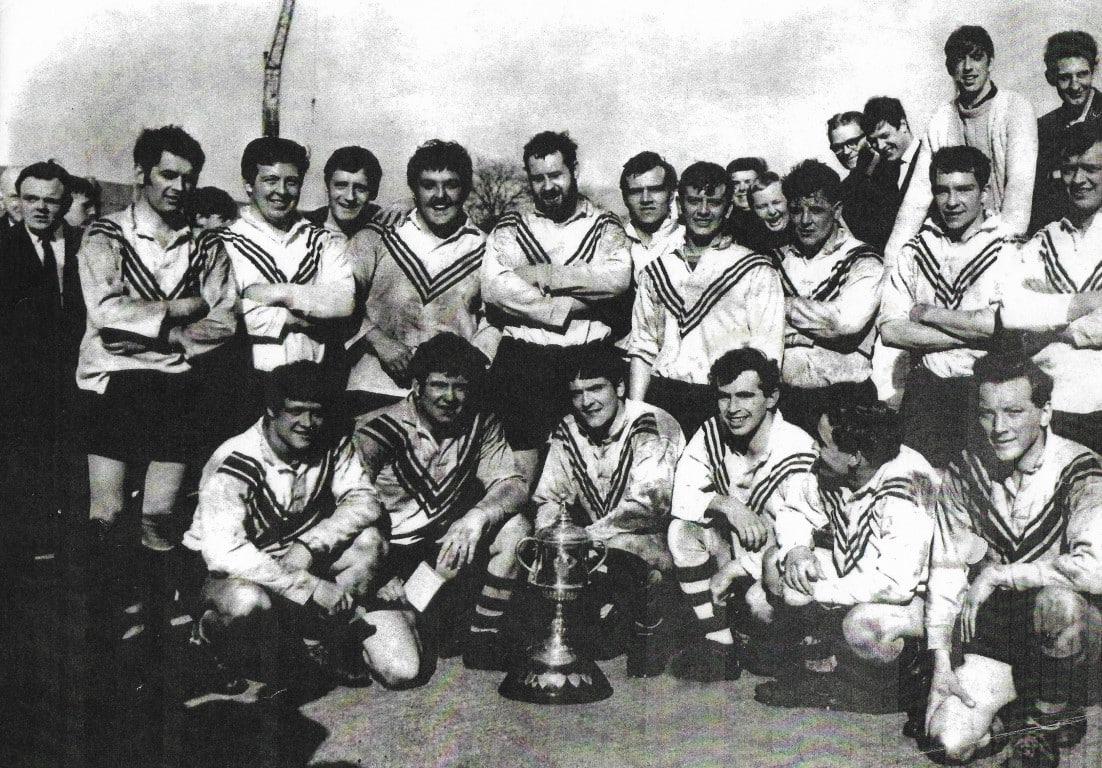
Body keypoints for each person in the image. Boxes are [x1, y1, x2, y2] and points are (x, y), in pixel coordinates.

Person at [77, 126, 237, 690]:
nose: (178, 186)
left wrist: (165, 336)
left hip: (174, 386)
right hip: (112, 386)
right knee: (107, 518)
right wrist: (180, 306)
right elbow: (106, 315)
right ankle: (100, 637)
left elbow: (224, 321)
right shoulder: (104, 234)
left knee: (160, 517)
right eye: (168, 174)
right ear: (143, 174)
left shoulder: (208, 245)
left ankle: (155, 633)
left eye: (188, 178)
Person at [923, 352, 1102, 767]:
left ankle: (1047, 719)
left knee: (1057, 603)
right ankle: (1010, 711)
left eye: (1014, 411)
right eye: (987, 414)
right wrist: (940, 659)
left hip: (1079, 629)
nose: (999, 427)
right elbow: (947, 568)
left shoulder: (1081, 468)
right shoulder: (966, 469)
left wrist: (1003, 575)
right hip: (1004, 636)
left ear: (1045, 412)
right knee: (950, 742)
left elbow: (1096, 566)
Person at [183, 361, 387, 693]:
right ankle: (209, 643)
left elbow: (365, 500)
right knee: (248, 602)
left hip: (293, 553)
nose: (307, 423)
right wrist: (309, 586)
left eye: (317, 412)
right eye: (296, 411)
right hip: (224, 569)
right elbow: (225, 553)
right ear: (271, 409)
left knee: (370, 541)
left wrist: (311, 545)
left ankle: (324, 644)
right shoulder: (235, 459)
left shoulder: (331, 440)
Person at [353, 333, 530, 674]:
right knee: (402, 672)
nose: (450, 398)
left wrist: (478, 516)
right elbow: (346, 508)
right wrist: (378, 573)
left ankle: (481, 639)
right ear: (417, 386)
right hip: (389, 567)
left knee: (516, 527)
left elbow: (514, 484)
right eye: (438, 385)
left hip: (440, 564)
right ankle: (366, 628)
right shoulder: (377, 429)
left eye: (460, 387)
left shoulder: (480, 422)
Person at [754, 403, 936, 715]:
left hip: (920, 600)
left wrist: (815, 590)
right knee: (770, 575)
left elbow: (895, 585)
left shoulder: (906, 485)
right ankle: (826, 668)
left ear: (855, 456)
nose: (815, 448)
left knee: (861, 625)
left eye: (823, 444)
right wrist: (797, 551)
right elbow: (795, 509)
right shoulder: (845, 466)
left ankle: (909, 681)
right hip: (860, 576)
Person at [481, 130, 632, 486]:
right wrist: (563, 309)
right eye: (538, 178)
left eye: (556, 175)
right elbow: (495, 288)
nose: (548, 186)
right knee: (520, 474)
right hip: (523, 361)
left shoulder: (605, 225)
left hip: (586, 360)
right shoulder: (511, 226)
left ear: (574, 170)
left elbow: (616, 279)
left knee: (585, 472)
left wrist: (543, 275)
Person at [533, 343, 685, 677]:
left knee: (626, 545)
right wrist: (550, 546)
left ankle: (653, 634)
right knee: (592, 644)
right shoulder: (569, 427)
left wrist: (582, 538)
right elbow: (549, 499)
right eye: (577, 393)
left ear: (619, 387)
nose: (586, 402)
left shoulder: (650, 422)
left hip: (657, 542)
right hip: (601, 546)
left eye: (596, 388)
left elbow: (648, 505)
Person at [666, 348, 818, 682]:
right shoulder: (711, 433)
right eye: (724, 397)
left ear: (772, 397)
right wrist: (727, 505)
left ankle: (799, 652)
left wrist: (739, 569)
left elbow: (801, 537)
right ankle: (719, 644)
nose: (733, 409)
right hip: (733, 555)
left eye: (746, 396)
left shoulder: (798, 448)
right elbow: (681, 496)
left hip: (775, 568)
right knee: (681, 531)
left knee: (758, 606)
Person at [879, 146, 1014, 467]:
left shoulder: (1009, 247)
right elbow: (890, 329)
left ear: (984, 191)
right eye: (942, 191)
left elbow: (1004, 326)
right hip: (927, 392)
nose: (952, 202)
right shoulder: (915, 249)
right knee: (920, 491)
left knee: (983, 495)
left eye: (964, 189)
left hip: (986, 390)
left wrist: (926, 316)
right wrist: (974, 333)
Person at [628, 161, 783, 437]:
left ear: (729, 208)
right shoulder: (657, 270)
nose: (702, 211)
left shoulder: (756, 269)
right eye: (694, 201)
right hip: (663, 396)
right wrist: (635, 414)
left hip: (724, 400)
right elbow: (642, 347)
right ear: (679, 204)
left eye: (713, 202)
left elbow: (767, 351)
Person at [344, 140, 496, 417]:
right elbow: (340, 299)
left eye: (451, 184)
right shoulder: (377, 237)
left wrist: (471, 360)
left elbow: (495, 319)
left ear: (465, 190)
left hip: (449, 400)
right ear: (414, 190)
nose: (440, 196)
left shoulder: (486, 249)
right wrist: (378, 340)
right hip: (374, 389)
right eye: (428, 185)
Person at [885, 25, 1038, 265]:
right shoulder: (941, 118)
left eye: (976, 58)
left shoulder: (1015, 109)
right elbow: (915, 201)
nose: (968, 68)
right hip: (953, 240)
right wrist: (890, 262)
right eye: (959, 60)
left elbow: (1019, 192)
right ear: (950, 68)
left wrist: (1003, 254)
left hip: (1003, 241)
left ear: (990, 62)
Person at [999, 121, 1102, 455]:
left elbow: (1031, 323)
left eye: (1091, 168)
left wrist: (1049, 321)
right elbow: (1011, 309)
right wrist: (1083, 312)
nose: (1080, 180)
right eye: (1070, 169)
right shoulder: (1044, 240)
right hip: (1053, 408)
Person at [0, 160, 85, 556]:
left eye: (51, 200)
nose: (40, 208)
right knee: (21, 493)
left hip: (77, 386)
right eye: (30, 198)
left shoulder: (86, 244)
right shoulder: (4, 248)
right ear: (18, 200)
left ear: (65, 203)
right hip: (20, 392)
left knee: (72, 493)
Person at [219, 137, 354, 376]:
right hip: (245, 377)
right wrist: (288, 319)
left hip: (311, 380)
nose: (281, 191)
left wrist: (279, 293)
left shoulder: (322, 240)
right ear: (248, 184)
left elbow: (343, 303)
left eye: (291, 182)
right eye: (271, 180)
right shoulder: (224, 243)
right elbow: (225, 313)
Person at [772, 159, 882, 435]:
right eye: (797, 211)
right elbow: (754, 324)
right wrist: (822, 333)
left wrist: (781, 311)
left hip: (847, 400)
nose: (805, 221)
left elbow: (845, 323)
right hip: (787, 402)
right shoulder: (775, 259)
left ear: (837, 210)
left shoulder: (864, 260)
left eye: (817, 210)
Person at [1032, 31, 1102, 235]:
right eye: (1064, 78)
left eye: (1082, 74)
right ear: (1050, 78)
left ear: (1094, 70)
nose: (1075, 86)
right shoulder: (1043, 128)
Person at [839, 97, 917, 251]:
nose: (880, 146)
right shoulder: (880, 173)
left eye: (884, 136)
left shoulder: (932, 159)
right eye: (873, 141)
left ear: (903, 125)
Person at [619, 151, 682, 278]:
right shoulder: (615, 242)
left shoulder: (685, 240)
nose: (646, 199)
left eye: (655, 190)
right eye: (636, 192)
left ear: (670, 194)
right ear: (625, 198)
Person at [303, 145, 384, 239]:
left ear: (374, 192)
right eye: (341, 185)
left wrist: (404, 203)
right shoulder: (303, 225)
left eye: (360, 188)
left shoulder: (382, 226)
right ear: (326, 185)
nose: (350, 197)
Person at [725, 157, 768, 248]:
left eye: (748, 182)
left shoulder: (773, 220)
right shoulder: (724, 224)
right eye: (736, 183)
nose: (742, 188)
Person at [746, 171, 790, 252]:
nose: (772, 212)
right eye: (762, 207)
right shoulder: (751, 246)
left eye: (776, 202)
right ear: (753, 210)